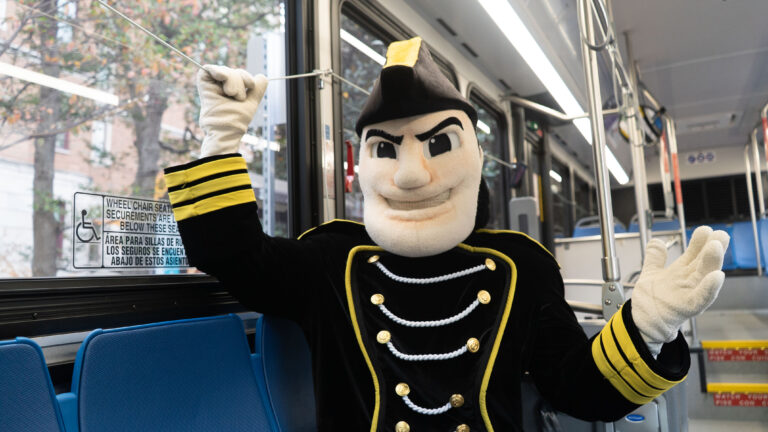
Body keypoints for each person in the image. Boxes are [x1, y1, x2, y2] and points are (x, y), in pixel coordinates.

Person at [163, 37, 729, 432]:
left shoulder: (519, 267)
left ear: (473, 158)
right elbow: (232, 255)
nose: (410, 175)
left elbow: (580, 391)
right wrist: (221, 143)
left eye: (437, 145)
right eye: (387, 149)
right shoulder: (332, 259)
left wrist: (647, 330)